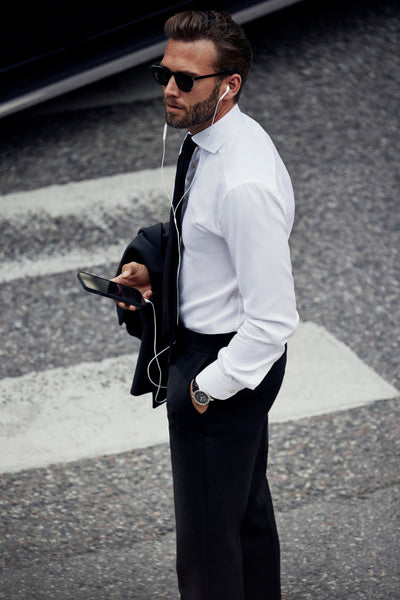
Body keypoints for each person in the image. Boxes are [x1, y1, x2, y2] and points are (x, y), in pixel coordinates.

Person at [113, 10, 299, 600]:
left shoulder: (243, 182)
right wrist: (156, 270)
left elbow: (274, 319)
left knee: (206, 551)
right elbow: (204, 238)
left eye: (186, 79)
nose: (169, 89)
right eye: (163, 74)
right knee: (242, 519)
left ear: (228, 85)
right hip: (215, 359)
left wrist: (205, 389)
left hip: (224, 367)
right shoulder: (215, 141)